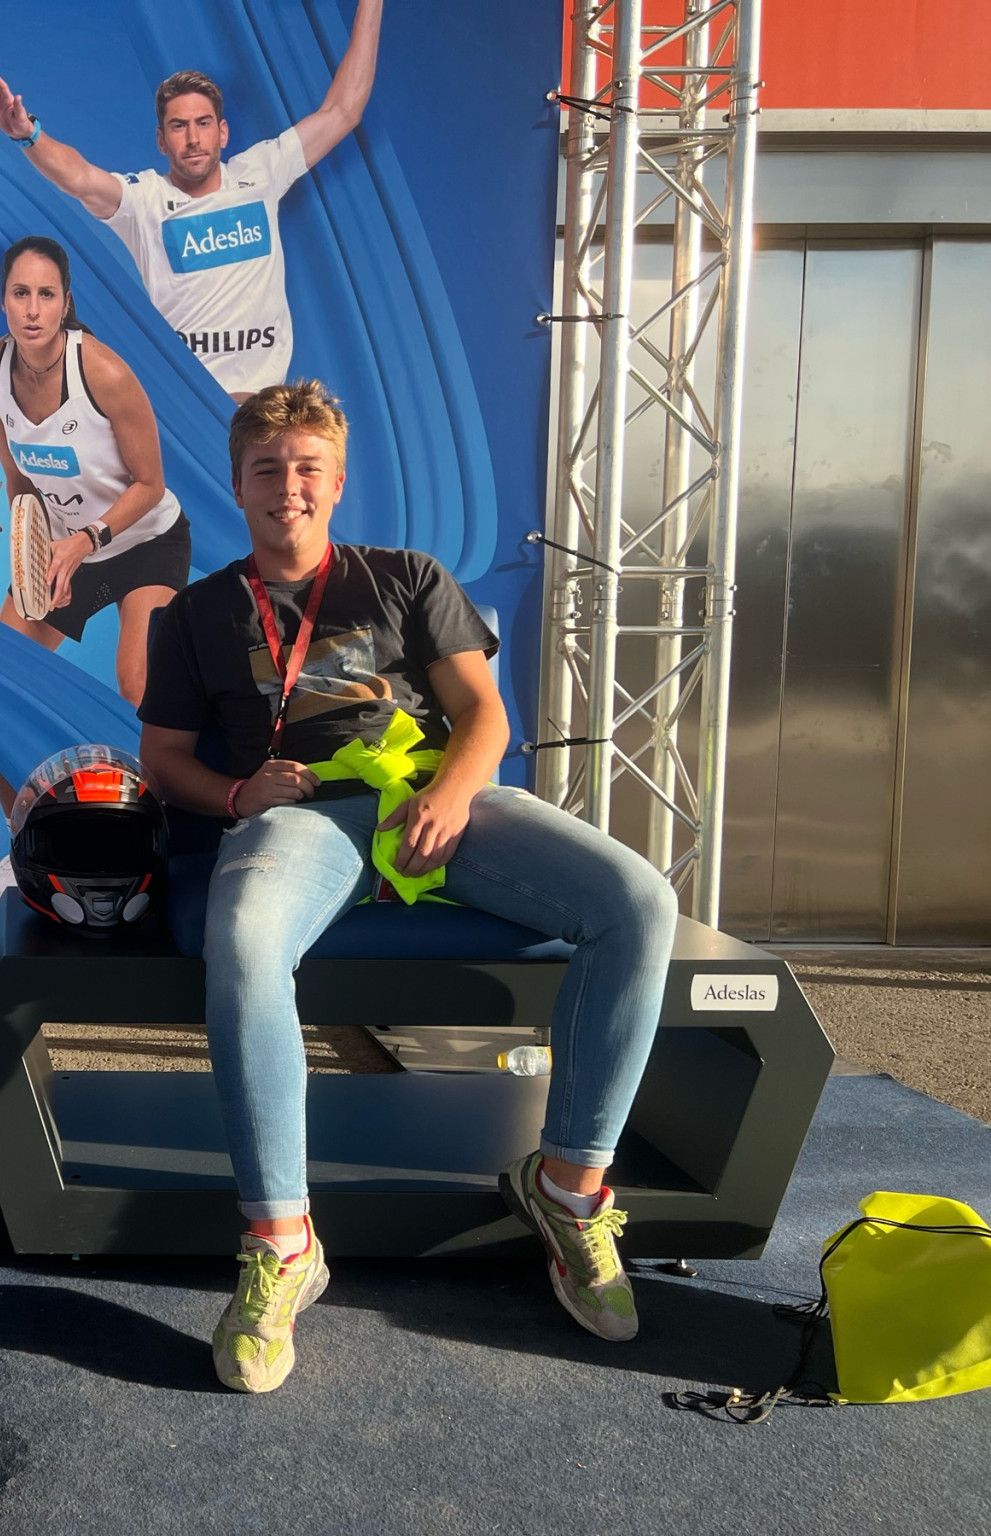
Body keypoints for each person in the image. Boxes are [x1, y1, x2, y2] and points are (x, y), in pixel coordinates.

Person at [135, 380, 678, 1393]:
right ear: (237, 484)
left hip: (437, 798)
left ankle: (568, 1189)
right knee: (244, 943)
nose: (287, 487)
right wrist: (237, 794)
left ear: (337, 481)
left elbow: (483, 715)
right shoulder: (197, 613)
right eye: (266, 469)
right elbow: (162, 757)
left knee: (638, 904)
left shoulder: (406, 576)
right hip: (301, 819)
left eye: (307, 468)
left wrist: (451, 794)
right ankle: (283, 1242)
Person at [0, 0, 383, 399]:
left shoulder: (261, 172)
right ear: (161, 140)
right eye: (179, 127)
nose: (194, 138)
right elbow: (80, 178)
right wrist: (28, 134)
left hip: (263, 408)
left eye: (203, 124)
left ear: (223, 133)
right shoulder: (144, 200)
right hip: (194, 409)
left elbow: (343, 110)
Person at [0, 236, 191, 901]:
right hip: (62, 548)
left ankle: (167, 839)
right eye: (20, 293)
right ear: (3, 301)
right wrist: (32, 549)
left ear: (65, 303)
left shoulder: (104, 372)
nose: (32, 309)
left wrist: (87, 539)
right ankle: (23, 846)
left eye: (46, 294)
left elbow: (150, 483)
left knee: (139, 682)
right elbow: (18, 479)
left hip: (144, 540)